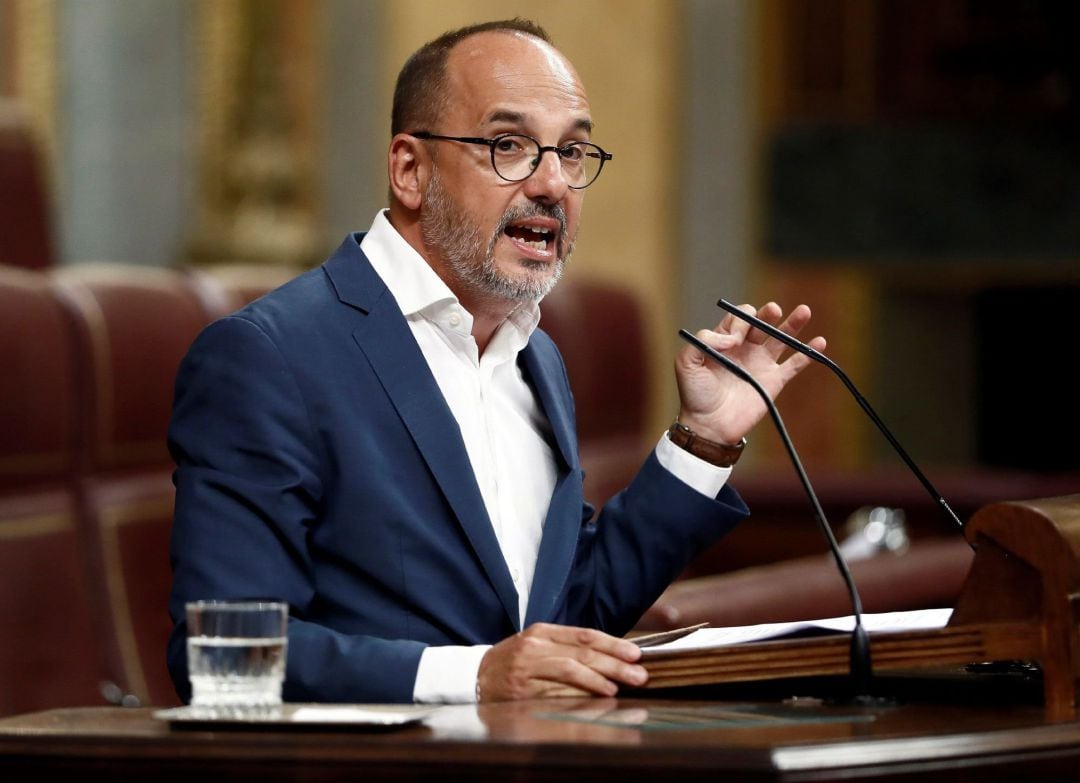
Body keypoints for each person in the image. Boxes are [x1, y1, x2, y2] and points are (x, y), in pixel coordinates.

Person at [166, 18, 825, 705]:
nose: (551, 183)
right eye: (508, 145)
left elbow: (561, 625)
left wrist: (704, 440)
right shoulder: (269, 357)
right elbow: (222, 657)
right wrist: (473, 676)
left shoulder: (534, 356)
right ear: (410, 169)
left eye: (572, 152)